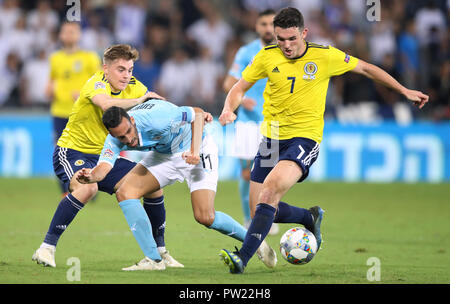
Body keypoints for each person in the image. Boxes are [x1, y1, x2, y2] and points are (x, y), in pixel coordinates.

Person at [218, 7, 429, 274]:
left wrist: (403, 90)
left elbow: (365, 68)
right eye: (280, 39)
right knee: (261, 203)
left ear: (304, 33)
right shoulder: (266, 56)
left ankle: (241, 260)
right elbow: (238, 87)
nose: (286, 45)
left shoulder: (325, 55)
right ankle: (309, 217)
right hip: (270, 137)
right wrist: (228, 108)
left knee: (269, 193)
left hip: (304, 138)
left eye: (291, 39)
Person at [75, 100, 277, 271]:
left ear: (133, 120)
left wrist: (195, 150)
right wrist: (91, 176)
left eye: (129, 132)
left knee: (205, 216)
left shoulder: (159, 117)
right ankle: (154, 260)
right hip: (164, 156)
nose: (128, 140)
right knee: (126, 192)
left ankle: (255, 242)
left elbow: (197, 114)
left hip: (198, 150)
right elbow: (104, 166)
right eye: (121, 137)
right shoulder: (114, 139)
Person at [31, 44, 182, 269]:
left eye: (130, 70)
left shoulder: (134, 86)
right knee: (88, 189)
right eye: (121, 69)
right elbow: (106, 105)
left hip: (105, 157)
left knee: (152, 185)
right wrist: (141, 101)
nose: (126, 75)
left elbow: (159, 106)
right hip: (72, 152)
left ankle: (160, 253)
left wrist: (185, 116)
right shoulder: (96, 83)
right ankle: (46, 248)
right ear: (106, 68)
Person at [223, 9, 279, 234]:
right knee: (247, 174)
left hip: (272, 121)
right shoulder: (246, 52)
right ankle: (249, 219)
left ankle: (265, 217)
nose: (268, 28)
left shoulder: (285, 52)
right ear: (256, 27)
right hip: (247, 123)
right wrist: (242, 99)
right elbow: (229, 83)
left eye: (272, 24)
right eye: (263, 24)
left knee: (269, 175)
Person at [46, 21, 100, 194]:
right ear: (60, 35)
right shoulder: (55, 58)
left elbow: (100, 82)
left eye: (72, 32)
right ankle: (66, 189)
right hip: (60, 111)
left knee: (86, 148)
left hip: (83, 113)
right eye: (65, 32)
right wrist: (49, 89)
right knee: (60, 150)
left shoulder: (90, 57)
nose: (68, 35)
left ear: (79, 35)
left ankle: (90, 183)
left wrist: (84, 93)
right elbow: (52, 81)